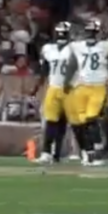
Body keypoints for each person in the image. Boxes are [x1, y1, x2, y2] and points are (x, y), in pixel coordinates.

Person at [67, 18, 108, 166]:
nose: (91, 35)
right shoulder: (78, 46)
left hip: (98, 86)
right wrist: (67, 83)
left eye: (93, 32)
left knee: (91, 119)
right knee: (82, 123)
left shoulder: (105, 46)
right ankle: (88, 153)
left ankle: (97, 148)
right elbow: (72, 65)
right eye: (90, 32)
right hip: (82, 86)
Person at [35, 22, 74, 165]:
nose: (61, 36)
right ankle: (47, 153)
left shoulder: (74, 49)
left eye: (63, 33)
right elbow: (44, 70)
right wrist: (37, 87)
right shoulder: (48, 49)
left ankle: (57, 153)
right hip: (54, 87)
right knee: (51, 121)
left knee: (62, 123)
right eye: (59, 33)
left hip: (68, 88)